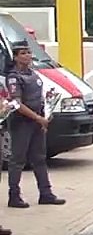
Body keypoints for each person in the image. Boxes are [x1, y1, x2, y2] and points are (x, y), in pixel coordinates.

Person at [6, 41, 65, 209]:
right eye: (23, 53)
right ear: (16, 57)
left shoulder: (33, 74)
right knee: (18, 160)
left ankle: (46, 193)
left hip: (37, 121)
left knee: (39, 158)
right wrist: (37, 118)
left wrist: (43, 117)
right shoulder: (14, 77)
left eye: (28, 52)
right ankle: (14, 195)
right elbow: (17, 103)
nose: (27, 56)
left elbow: (38, 98)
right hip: (21, 122)